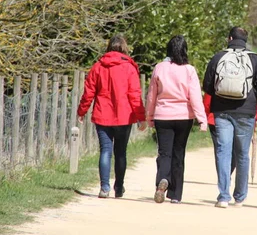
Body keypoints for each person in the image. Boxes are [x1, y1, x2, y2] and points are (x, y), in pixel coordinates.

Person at [203, 26, 257, 208]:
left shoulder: (219, 57)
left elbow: (207, 85)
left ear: (229, 38)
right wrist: (251, 93)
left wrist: (220, 93)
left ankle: (223, 196)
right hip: (245, 111)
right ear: (245, 40)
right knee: (242, 154)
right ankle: (239, 197)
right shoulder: (254, 58)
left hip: (222, 111)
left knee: (223, 151)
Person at [77, 35, 147, 199]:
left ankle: (105, 187)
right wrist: (141, 117)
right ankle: (119, 187)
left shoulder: (98, 67)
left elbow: (88, 93)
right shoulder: (129, 68)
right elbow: (135, 95)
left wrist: (82, 112)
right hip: (124, 116)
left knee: (105, 151)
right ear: (124, 48)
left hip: (103, 115)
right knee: (121, 152)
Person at [146, 35, 207, 204]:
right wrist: (202, 119)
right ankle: (175, 195)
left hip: (162, 115)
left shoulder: (159, 68)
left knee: (164, 152)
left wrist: (149, 116)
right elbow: (195, 96)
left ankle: (162, 181)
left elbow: (152, 95)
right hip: (183, 117)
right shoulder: (189, 70)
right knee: (178, 154)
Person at [203, 93, 257, 175]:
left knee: (221, 151)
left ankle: (224, 179)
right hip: (242, 116)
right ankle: (226, 177)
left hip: (217, 116)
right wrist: (255, 114)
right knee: (236, 151)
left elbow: (208, 94)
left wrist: (206, 114)